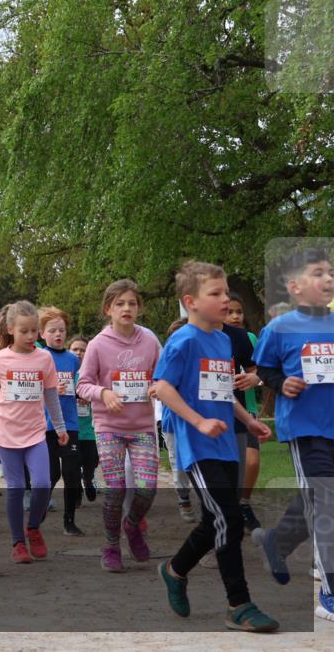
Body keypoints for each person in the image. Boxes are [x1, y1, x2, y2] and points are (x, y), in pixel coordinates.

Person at [154, 261, 278, 632]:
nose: (225, 299)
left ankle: (175, 570)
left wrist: (247, 420)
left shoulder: (224, 341)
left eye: (226, 292)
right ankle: (239, 604)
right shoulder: (184, 340)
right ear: (191, 301)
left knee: (215, 520)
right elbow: (162, 387)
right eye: (216, 293)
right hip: (198, 445)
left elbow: (223, 391)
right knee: (230, 518)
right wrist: (198, 422)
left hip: (225, 442)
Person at [251, 248, 334, 622]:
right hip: (305, 427)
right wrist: (282, 383)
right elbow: (264, 370)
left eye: (331, 272)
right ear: (295, 286)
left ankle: (276, 541)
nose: (328, 278)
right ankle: (329, 596)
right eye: (318, 273)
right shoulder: (279, 328)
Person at [77, 279, 161, 572]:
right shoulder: (98, 345)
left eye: (132, 303)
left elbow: (163, 374)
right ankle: (111, 546)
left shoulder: (149, 340)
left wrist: (157, 385)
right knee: (114, 489)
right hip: (109, 427)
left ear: (139, 308)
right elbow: (82, 384)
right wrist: (104, 393)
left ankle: (132, 525)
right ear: (108, 310)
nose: (127, 308)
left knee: (147, 488)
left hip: (142, 427)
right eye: (120, 304)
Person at [0, 301, 69, 563]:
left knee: (42, 483)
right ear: (10, 329)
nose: (31, 336)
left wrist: (60, 426)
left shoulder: (44, 358)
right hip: (5, 432)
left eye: (34, 331)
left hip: (35, 433)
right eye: (24, 331)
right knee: (16, 487)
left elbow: (51, 395)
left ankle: (33, 527)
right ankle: (18, 542)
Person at [38, 307, 83, 536]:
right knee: (52, 474)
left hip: (70, 424)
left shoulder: (73, 360)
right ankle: (39, 512)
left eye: (62, 330)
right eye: (52, 330)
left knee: (72, 473)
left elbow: (81, 384)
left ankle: (69, 522)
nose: (58, 334)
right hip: (45, 426)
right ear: (42, 333)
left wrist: (81, 392)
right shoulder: (39, 357)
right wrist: (51, 390)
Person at [225, 291, 263, 531]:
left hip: (247, 410)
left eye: (239, 312)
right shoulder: (207, 337)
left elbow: (259, 370)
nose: (235, 316)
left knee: (251, 460)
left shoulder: (247, 338)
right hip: (220, 412)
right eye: (229, 312)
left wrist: (254, 378)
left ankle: (244, 503)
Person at [159, 319, 198, 523]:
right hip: (173, 421)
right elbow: (159, 387)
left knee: (201, 461)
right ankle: (183, 498)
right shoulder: (167, 360)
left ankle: (207, 498)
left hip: (200, 420)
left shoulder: (202, 358)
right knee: (178, 462)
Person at [68, 335, 98, 503]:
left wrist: (90, 396)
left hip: (90, 429)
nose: (79, 353)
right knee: (72, 464)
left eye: (83, 350)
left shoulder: (94, 373)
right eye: (75, 349)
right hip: (71, 428)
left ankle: (88, 479)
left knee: (91, 463)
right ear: (68, 351)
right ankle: (76, 489)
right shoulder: (65, 373)